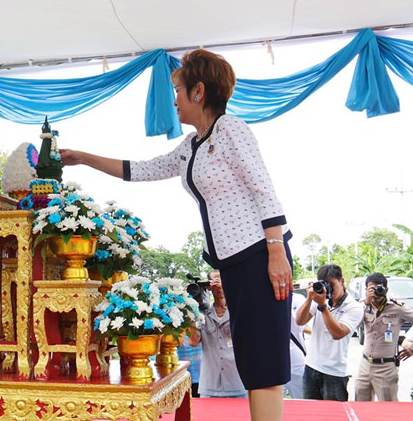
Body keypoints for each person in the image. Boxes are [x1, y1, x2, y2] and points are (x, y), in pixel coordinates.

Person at [60, 49, 292, 421]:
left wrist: (276, 251)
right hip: (232, 264)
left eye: (179, 90)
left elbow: (263, 188)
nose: (175, 100)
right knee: (251, 361)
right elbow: (141, 169)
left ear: (198, 91)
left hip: (259, 255)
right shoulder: (191, 145)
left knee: (264, 363)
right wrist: (84, 157)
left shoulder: (231, 129)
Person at [295, 264, 363, 401]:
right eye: (326, 285)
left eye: (332, 284)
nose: (329, 289)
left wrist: (322, 306)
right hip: (311, 367)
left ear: (342, 281)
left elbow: (338, 333)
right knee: (310, 414)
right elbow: (300, 321)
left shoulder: (354, 307)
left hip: (334, 373)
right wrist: (309, 299)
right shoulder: (320, 298)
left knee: (334, 415)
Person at [354, 272, 413, 401]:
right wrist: (366, 303)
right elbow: (352, 325)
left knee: (388, 411)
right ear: (366, 290)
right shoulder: (362, 307)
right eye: (372, 289)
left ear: (386, 290)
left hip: (386, 367)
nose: (376, 292)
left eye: (379, 288)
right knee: (360, 405)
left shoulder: (397, 308)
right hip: (365, 365)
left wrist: (412, 347)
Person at [188, 269, 247, 398]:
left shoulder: (240, 309)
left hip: (238, 382)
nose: (218, 285)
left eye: (222, 279)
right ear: (208, 287)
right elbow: (193, 342)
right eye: (214, 281)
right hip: (210, 385)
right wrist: (190, 307)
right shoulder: (203, 314)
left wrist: (228, 290)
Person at [284, 292, 307, 399]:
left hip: (296, 358)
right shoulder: (264, 299)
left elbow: (301, 323)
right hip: (273, 361)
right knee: (276, 401)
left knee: (300, 400)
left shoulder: (298, 299)